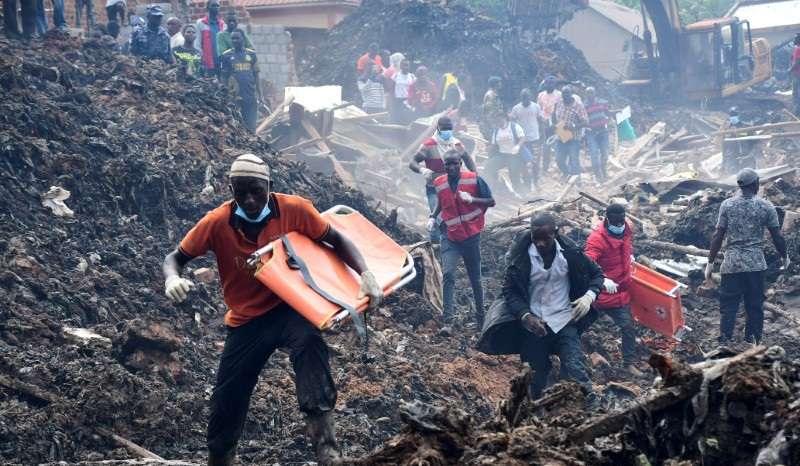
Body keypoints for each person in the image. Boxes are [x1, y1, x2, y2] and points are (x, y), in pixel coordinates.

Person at [163, 154, 383, 466]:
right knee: (228, 395)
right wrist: (172, 278)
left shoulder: (294, 210)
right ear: (231, 189)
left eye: (256, 191)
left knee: (310, 344)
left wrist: (366, 273)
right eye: (241, 192)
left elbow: (335, 238)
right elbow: (175, 257)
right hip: (246, 319)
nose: (250, 200)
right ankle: (220, 458)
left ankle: (328, 452)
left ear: (270, 186)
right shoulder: (217, 223)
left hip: (289, 307)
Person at [478, 212, 604, 404]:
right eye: (536, 238)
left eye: (545, 238)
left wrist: (589, 296)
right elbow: (509, 292)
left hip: (564, 321)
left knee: (575, 369)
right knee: (533, 379)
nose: (541, 244)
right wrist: (525, 316)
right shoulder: (520, 260)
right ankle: (533, 419)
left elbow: (597, 274)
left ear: (555, 232)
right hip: (534, 326)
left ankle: (594, 411)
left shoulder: (571, 254)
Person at [705, 168, 788, 345]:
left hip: (731, 264)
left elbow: (718, 235)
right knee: (755, 305)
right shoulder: (766, 206)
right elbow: (777, 236)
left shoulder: (727, 205)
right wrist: (785, 256)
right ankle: (753, 340)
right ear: (756, 184)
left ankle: (725, 339)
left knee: (729, 305)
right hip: (755, 265)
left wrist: (710, 262)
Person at [430, 150, 495, 325]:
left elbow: (491, 201)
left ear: (460, 164)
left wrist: (473, 199)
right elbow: (441, 202)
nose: (451, 167)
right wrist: (432, 216)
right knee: (448, 275)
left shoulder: (474, 179)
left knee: (475, 278)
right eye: (447, 164)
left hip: (471, 236)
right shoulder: (439, 182)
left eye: (454, 163)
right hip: (450, 236)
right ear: (444, 166)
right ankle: (448, 321)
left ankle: (481, 318)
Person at [584, 203, 641, 376]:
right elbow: (586, 264)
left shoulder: (626, 229)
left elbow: (626, 245)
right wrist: (601, 280)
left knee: (628, 327)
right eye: (615, 223)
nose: (618, 226)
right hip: (599, 292)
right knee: (581, 325)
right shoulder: (596, 239)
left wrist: (629, 255)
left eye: (621, 222)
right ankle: (580, 358)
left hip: (619, 291)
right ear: (606, 219)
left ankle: (629, 363)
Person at [409, 116, 477, 244]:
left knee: (449, 218)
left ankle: (442, 245)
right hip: (434, 187)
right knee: (440, 218)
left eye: (449, 129)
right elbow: (412, 162)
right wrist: (422, 170)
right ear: (438, 129)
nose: (447, 131)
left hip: (454, 187)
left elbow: (468, 160)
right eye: (444, 129)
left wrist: (474, 176)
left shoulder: (456, 144)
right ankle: (437, 245)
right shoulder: (429, 145)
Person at [220, 30, 261, 133]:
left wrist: (261, 95)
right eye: (232, 38)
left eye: (237, 38)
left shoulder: (251, 54)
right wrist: (225, 94)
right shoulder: (226, 55)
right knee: (236, 126)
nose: (234, 40)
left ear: (243, 39)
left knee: (251, 126)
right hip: (234, 97)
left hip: (250, 96)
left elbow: (256, 75)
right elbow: (224, 77)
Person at [486, 113, 527, 196]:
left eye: (501, 120)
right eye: (497, 121)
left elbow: (522, 138)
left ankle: (522, 194)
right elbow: (494, 144)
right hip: (502, 155)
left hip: (514, 155)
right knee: (489, 167)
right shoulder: (496, 130)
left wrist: (518, 146)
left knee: (514, 175)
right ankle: (491, 188)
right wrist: (489, 151)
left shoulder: (514, 126)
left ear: (505, 119)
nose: (499, 122)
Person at [510, 88, 542, 191]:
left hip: (535, 139)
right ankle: (527, 185)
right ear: (521, 98)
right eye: (523, 97)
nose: (525, 99)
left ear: (530, 97)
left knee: (535, 162)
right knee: (523, 163)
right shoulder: (516, 109)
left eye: (527, 97)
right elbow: (513, 124)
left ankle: (536, 182)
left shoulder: (536, 107)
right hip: (522, 141)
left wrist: (543, 136)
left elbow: (541, 122)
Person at [553, 85, 587, 179]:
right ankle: (567, 174)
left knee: (574, 161)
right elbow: (553, 115)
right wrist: (555, 125)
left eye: (567, 93)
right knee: (559, 160)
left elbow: (585, 122)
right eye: (563, 93)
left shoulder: (578, 106)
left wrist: (574, 126)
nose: (565, 95)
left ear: (571, 94)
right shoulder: (559, 103)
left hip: (574, 138)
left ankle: (577, 181)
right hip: (561, 136)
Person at [721, 107, 761, 175]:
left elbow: (756, 143)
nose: (733, 117)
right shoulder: (726, 131)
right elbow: (724, 147)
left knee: (748, 177)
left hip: (747, 158)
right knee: (733, 179)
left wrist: (750, 155)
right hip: (732, 159)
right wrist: (723, 162)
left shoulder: (747, 128)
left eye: (735, 115)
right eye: (731, 116)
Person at [584, 87, 610, 183]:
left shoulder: (602, 102)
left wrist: (616, 112)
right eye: (588, 93)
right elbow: (582, 119)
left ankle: (604, 171)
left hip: (603, 131)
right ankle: (598, 176)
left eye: (591, 92)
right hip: (591, 133)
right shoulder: (584, 106)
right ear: (586, 94)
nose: (590, 94)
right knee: (594, 154)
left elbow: (608, 113)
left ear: (595, 93)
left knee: (605, 154)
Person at [537, 76, 561, 174]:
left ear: (554, 84)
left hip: (559, 123)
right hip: (545, 123)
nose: (549, 85)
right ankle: (545, 168)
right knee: (546, 145)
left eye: (551, 83)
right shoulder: (541, 95)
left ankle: (561, 166)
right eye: (547, 83)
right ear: (545, 84)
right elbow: (538, 109)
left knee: (560, 144)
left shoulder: (559, 94)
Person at [197, 0, 225, 75]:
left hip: (221, 63)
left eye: (217, 6)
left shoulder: (222, 24)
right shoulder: (201, 23)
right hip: (207, 62)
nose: (216, 7)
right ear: (207, 8)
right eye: (213, 5)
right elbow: (197, 44)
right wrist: (200, 59)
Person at [391, 59, 415, 124]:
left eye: (407, 65)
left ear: (409, 66)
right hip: (398, 100)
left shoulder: (412, 76)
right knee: (397, 118)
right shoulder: (395, 75)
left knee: (407, 118)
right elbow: (391, 88)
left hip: (408, 100)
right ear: (401, 66)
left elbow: (414, 89)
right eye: (403, 65)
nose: (405, 67)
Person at [481, 76, 503, 140]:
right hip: (490, 126)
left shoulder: (494, 94)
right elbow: (488, 113)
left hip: (494, 124)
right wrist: (493, 126)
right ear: (495, 84)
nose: (501, 84)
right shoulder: (490, 95)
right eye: (499, 82)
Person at [789, 33, 800, 116]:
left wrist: (790, 70)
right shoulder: (796, 48)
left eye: (796, 38)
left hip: (797, 74)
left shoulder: (798, 49)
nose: (794, 40)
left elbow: (797, 62)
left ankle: (797, 113)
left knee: (796, 93)